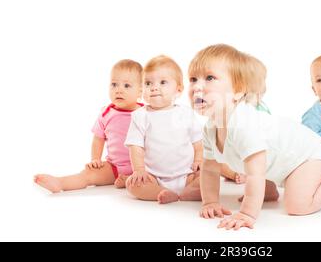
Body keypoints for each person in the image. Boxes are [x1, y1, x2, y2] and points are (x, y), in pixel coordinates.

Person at [189, 44, 321, 230]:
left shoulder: (244, 124)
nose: (197, 87)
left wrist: (247, 213)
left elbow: (256, 174)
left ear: (238, 90)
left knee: (297, 205)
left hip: (309, 157)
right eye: (193, 79)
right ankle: (269, 191)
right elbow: (209, 169)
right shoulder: (210, 128)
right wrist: (210, 202)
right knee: (264, 162)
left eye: (209, 78)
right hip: (281, 161)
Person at [34, 59, 144, 192]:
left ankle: (129, 179)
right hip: (114, 166)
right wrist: (96, 159)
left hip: (144, 166)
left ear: (140, 91)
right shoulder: (106, 113)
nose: (118, 90)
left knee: (160, 176)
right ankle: (60, 183)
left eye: (126, 86)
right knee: (88, 174)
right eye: (114, 84)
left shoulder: (147, 113)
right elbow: (98, 139)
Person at [125, 55, 203, 204]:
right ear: (142, 90)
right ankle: (161, 193)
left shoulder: (185, 114)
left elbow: (198, 143)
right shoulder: (140, 116)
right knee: (132, 184)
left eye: (162, 82)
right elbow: (136, 147)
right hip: (153, 177)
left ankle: (189, 191)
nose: (154, 87)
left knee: (209, 176)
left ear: (178, 89)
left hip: (187, 174)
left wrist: (199, 160)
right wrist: (139, 170)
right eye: (148, 83)